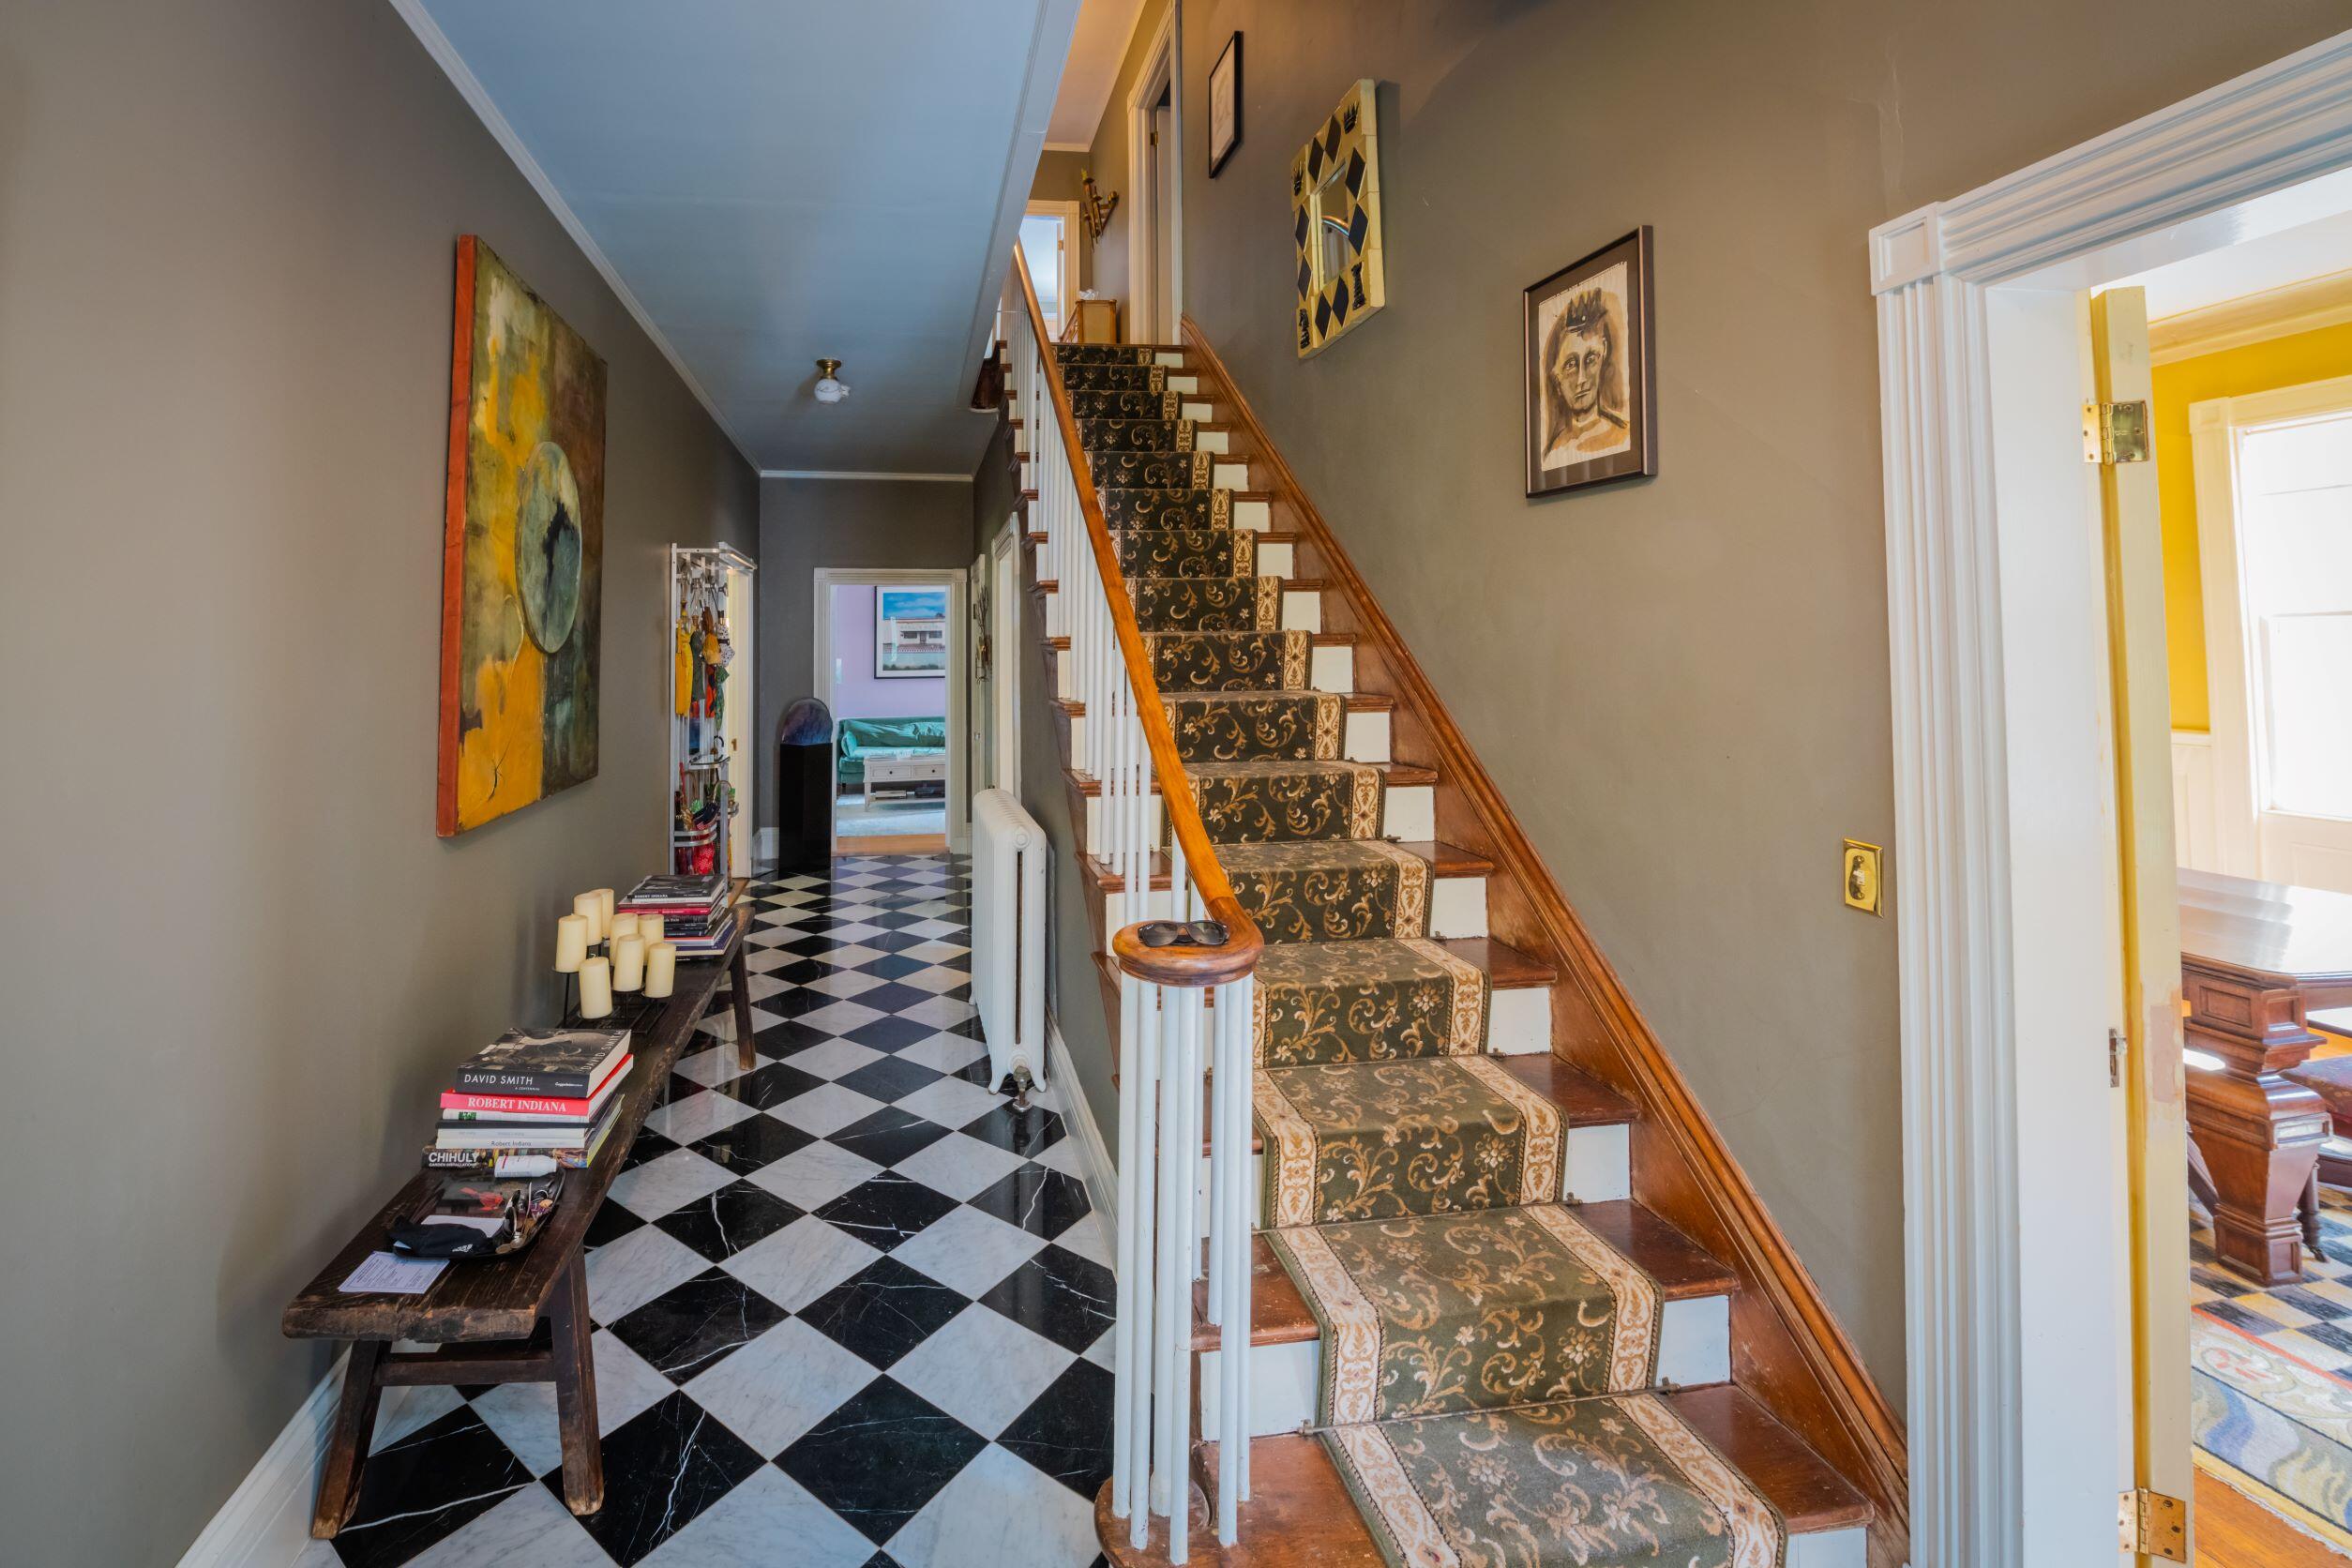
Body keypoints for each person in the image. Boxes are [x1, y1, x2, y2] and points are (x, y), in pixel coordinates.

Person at [1540, 285, 1631, 465]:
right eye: (1571, 365)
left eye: (1590, 359)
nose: (1582, 379)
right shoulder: (1552, 453)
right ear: (1556, 375)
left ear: (1603, 353)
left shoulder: (1624, 436)